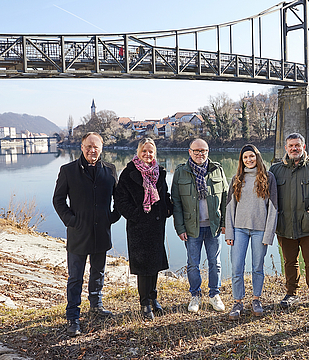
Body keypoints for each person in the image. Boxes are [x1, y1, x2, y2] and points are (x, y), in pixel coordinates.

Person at [52, 132, 121, 337]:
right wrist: (71, 221)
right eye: (88, 146)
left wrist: (113, 217)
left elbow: (119, 198)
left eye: (96, 147)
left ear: (101, 148)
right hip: (78, 233)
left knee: (98, 272)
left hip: (102, 231)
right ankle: (73, 315)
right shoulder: (68, 170)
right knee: (75, 277)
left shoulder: (110, 170)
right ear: (81, 147)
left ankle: (96, 305)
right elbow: (58, 200)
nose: (92, 150)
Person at [269, 133, 309, 311]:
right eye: (291, 146)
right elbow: (266, 194)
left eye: (297, 145)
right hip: (285, 225)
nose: (294, 148)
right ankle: (291, 294)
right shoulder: (275, 170)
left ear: (303, 147)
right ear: (286, 148)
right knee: (290, 261)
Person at [115, 138, 173, 321]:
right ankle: (144, 303)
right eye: (144, 151)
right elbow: (120, 201)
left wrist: (168, 209)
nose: (148, 155)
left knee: (154, 264)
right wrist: (136, 215)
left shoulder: (160, 172)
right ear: (138, 152)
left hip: (156, 225)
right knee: (142, 267)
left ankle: (153, 298)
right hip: (138, 226)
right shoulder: (128, 173)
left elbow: (165, 195)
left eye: (151, 152)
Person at [171, 138, 228, 313]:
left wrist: (225, 223)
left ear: (208, 152)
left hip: (214, 227)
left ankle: (214, 295)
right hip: (191, 227)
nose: (199, 154)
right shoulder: (181, 172)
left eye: (203, 150)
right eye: (196, 151)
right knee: (193, 264)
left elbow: (226, 198)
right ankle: (195, 295)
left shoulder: (217, 170)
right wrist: (180, 228)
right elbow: (176, 202)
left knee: (215, 263)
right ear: (190, 152)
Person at [224, 144, 278, 320]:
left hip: (260, 230)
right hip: (239, 229)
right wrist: (229, 233)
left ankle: (256, 299)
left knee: (257, 267)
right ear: (242, 160)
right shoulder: (236, 179)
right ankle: (238, 302)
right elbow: (229, 208)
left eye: (251, 156)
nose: (249, 160)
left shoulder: (268, 178)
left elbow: (273, 208)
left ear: (257, 157)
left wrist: (268, 234)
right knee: (236, 267)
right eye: (245, 157)